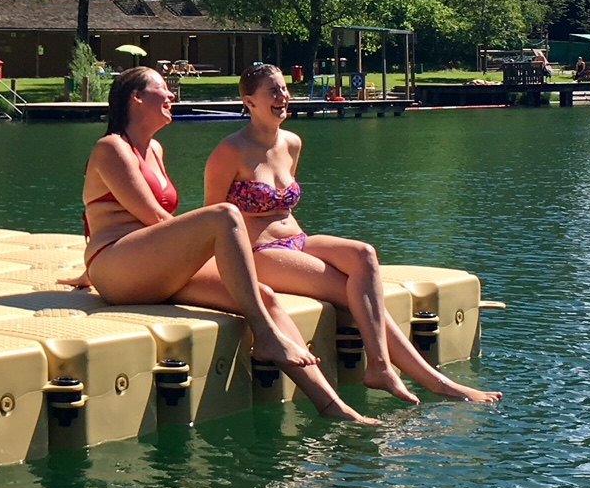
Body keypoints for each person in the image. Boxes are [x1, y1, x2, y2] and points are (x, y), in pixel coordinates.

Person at [80, 67, 372, 424]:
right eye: (162, 88)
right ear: (137, 98)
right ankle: (266, 336)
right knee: (224, 215)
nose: (171, 95)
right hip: (117, 268)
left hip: (154, 267)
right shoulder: (111, 148)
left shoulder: (155, 148)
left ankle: (332, 406)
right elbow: (153, 219)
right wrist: (92, 271)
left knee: (263, 296)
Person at [203, 63, 499, 405]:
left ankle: (381, 365)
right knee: (346, 289)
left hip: (297, 240)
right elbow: (213, 219)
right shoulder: (230, 150)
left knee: (364, 255)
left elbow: (285, 208)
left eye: (284, 89)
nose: (283, 96)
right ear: (249, 101)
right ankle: (429, 380)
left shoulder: (292, 143)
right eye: (273, 91)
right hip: (258, 252)